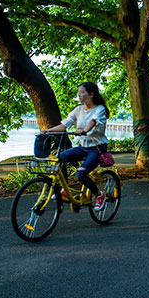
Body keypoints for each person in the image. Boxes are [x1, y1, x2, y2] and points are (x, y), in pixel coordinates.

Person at [45, 82, 110, 211]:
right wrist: (47, 131)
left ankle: (99, 194)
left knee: (80, 175)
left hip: (96, 149)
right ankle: (65, 188)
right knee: (59, 158)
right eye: (78, 93)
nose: (79, 95)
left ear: (91, 94)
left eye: (82, 92)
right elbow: (65, 125)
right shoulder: (78, 109)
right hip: (82, 147)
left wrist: (84, 130)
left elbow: (93, 121)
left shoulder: (100, 109)